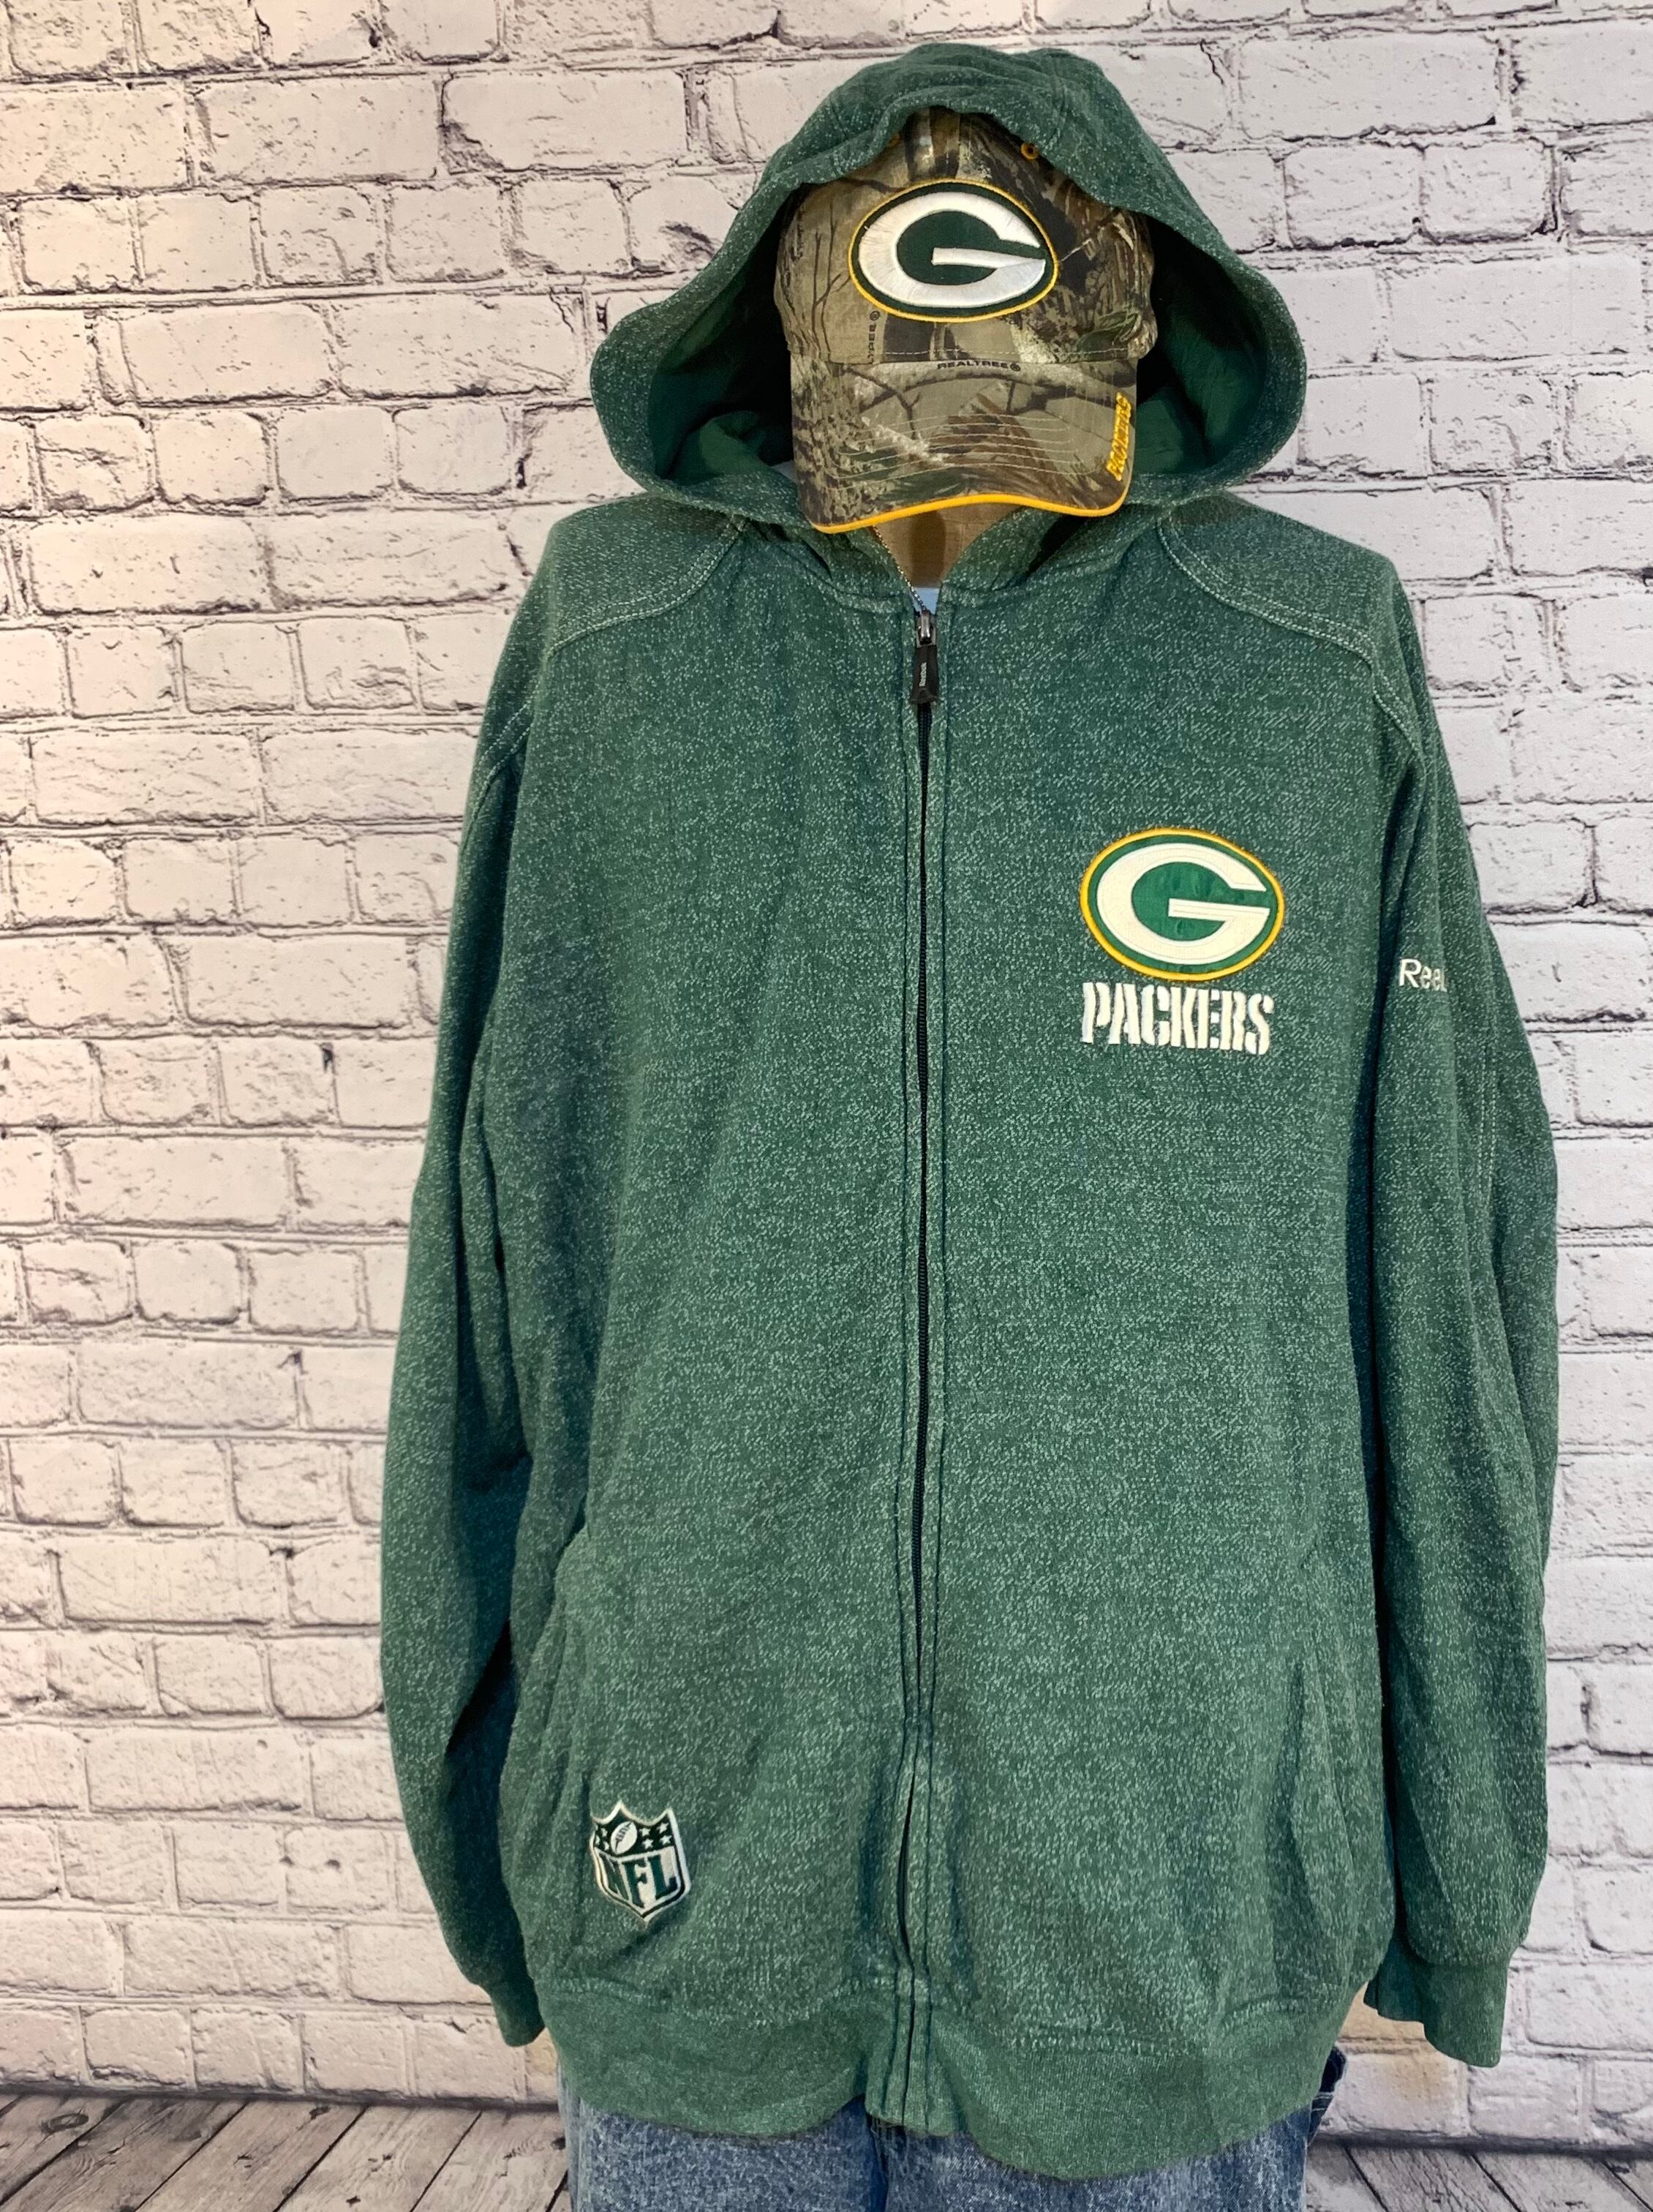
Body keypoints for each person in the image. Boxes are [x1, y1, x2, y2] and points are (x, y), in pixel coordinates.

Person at [379, 40, 1557, 2212]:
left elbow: (1445, 1288)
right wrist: (489, 1801)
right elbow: (486, 1250)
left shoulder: (1305, 663)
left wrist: (1453, 1859)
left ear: (1135, 318)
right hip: (691, 1834)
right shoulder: (617, 645)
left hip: (1171, 1874)